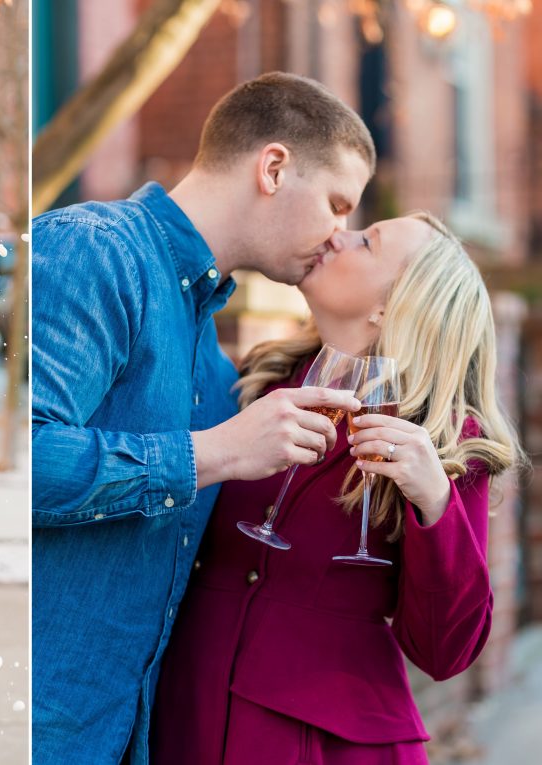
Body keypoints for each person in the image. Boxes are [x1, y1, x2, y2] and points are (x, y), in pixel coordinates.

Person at [32, 72, 375, 764]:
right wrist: (211, 454)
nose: (340, 235)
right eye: (337, 204)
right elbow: (26, 462)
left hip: (125, 732)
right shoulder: (95, 250)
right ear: (274, 167)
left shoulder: (212, 358)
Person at [150, 212, 524, 764]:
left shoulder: (445, 440)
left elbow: (447, 653)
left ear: (390, 307)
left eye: (366, 241)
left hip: (330, 740)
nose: (337, 233)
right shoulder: (261, 381)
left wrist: (435, 503)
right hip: (188, 711)